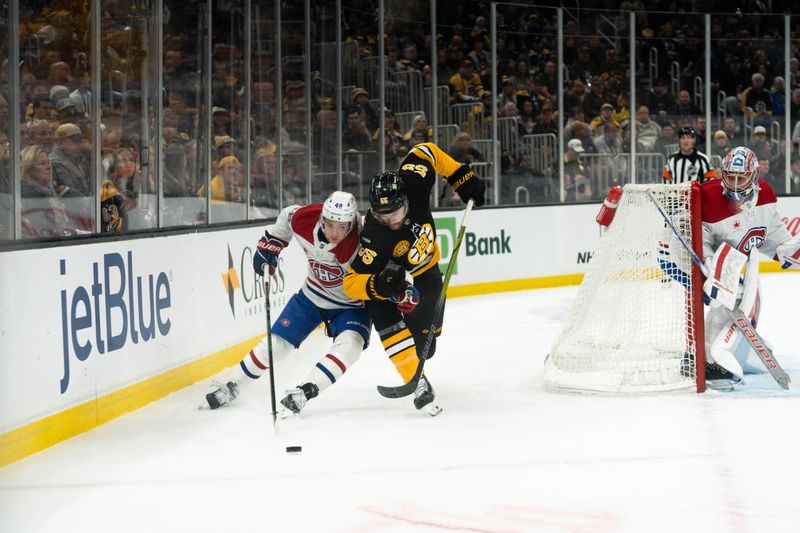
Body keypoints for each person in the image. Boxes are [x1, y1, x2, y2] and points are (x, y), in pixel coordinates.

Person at [342, 143, 486, 415]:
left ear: (405, 200)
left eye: (394, 212)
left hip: (427, 272)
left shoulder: (413, 182)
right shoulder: (374, 235)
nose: (389, 219)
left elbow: (425, 151)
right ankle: (413, 373)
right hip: (396, 282)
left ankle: (416, 358)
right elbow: (350, 282)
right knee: (377, 304)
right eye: (382, 214)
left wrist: (460, 176)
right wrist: (376, 285)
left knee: (426, 350)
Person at [205, 191, 372, 414]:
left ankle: (305, 391)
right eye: (331, 225)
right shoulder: (304, 219)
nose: (335, 232)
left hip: (352, 306)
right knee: (277, 343)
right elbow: (286, 215)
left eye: (343, 227)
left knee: (351, 346)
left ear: (352, 224)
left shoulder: (363, 239)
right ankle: (233, 385)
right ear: (322, 218)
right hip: (311, 296)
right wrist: (273, 242)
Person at [700, 147, 800, 386]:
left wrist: (790, 251)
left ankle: (739, 352)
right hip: (713, 278)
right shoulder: (708, 196)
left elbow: (773, 239)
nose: (734, 184)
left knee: (739, 299)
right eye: (730, 176)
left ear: (753, 176)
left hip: (743, 282)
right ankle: (707, 356)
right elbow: (700, 241)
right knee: (718, 316)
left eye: (741, 177)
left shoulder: (765, 194)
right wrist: (709, 269)